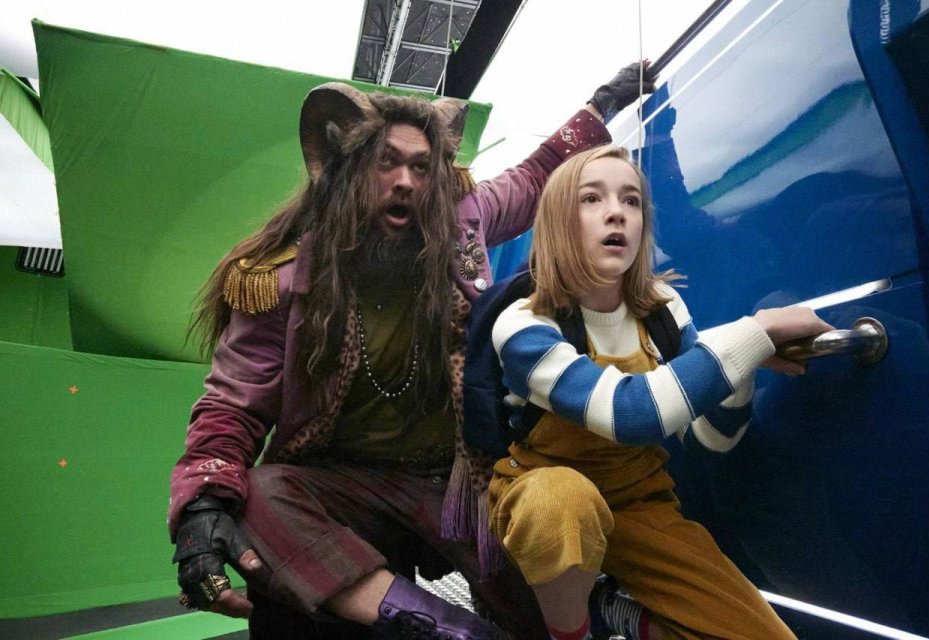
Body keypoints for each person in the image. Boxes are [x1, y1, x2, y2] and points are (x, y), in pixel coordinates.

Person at [168, 62, 656, 640]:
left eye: (421, 167)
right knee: (263, 494)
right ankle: (447, 629)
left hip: (456, 483)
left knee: (537, 590)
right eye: (386, 162)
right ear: (347, 172)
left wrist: (602, 103)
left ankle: (589, 612)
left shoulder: (463, 223)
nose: (405, 181)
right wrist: (200, 509)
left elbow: (534, 177)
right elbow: (233, 405)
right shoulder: (280, 280)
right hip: (337, 484)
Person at [487, 144, 834, 640]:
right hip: (542, 493)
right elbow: (630, 413)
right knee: (561, 500)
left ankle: (621, 612)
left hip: (639, 501)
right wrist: (755, 332)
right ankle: (572, 630)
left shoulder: (663, 308)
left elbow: (711, 439)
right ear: (558, 221)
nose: (617, 212)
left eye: (631, 200)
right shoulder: (524, 324)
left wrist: (743, 366)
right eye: (592, 198)